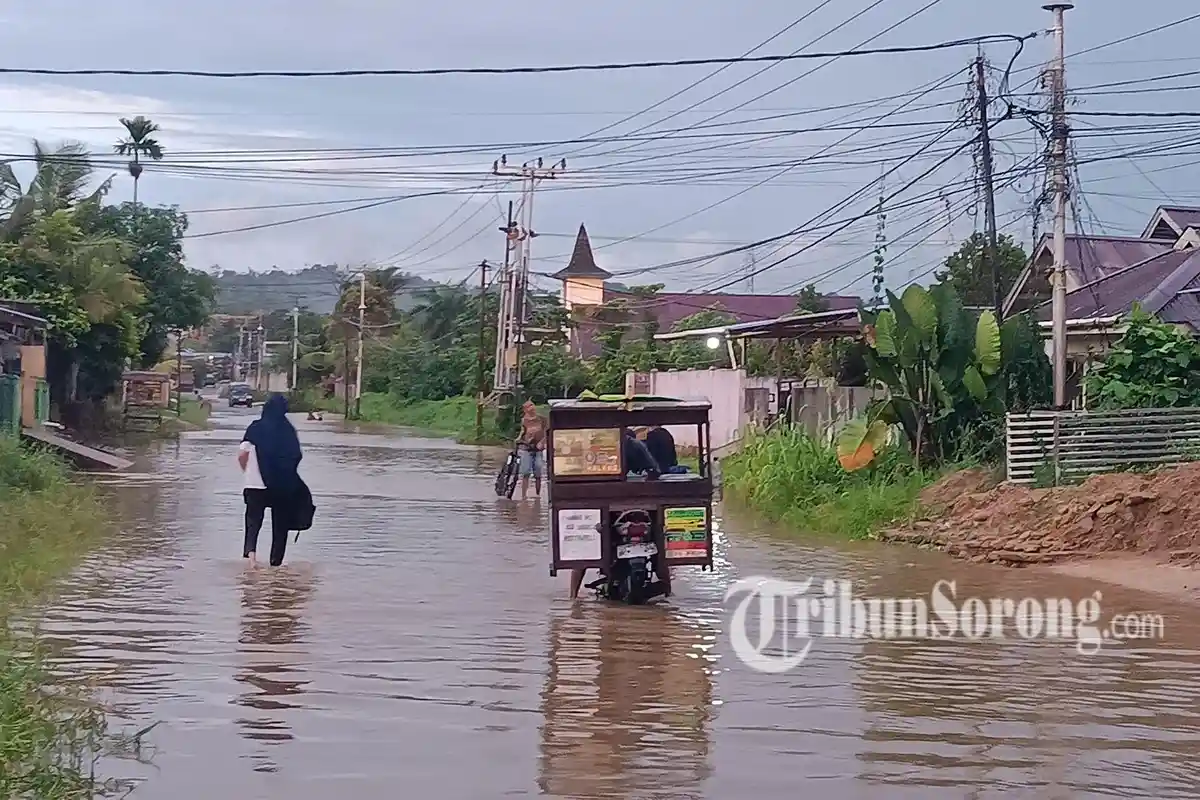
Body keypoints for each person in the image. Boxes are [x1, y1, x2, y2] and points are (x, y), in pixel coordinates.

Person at [238, 393, 303, 568]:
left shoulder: (255, 428)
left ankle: (251, 558)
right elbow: (296, 456)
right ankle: (275, 563)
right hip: (281, 486)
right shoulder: (288, 431)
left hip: (254, 484)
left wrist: (248, 471)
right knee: (280, 525)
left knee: (253, 520)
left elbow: (242, 454)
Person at [516, 400, 547, 500]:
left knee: (538, 470)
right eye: (528, 406)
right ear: (525, 410)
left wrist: (542, 442)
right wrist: (519, 439)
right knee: (525, 472)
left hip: (538, 449)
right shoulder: (524, 420)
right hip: (526, 448)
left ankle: (537, 495)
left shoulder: (542, 419)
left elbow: (547, 432)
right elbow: (522, 432)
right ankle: (523, 496)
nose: (531, 408)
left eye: (532, 405)